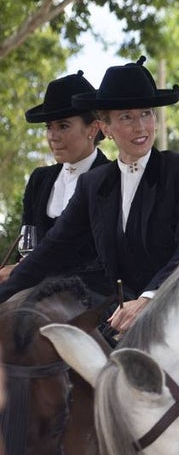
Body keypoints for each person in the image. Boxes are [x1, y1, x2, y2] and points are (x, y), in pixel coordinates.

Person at [0, 57, 179, 332]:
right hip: (116, 319)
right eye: (126, 117)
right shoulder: (93, 183)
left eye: (146, 113)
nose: (140, 127)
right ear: (105, 127)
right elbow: (52, 248)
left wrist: (148, 299)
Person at [0, 72, 110, 291]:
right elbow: (29, 242)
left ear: (93, 128)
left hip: (90, 295)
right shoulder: (39, 180)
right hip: (35, 286)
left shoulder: (111, 178)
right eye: (48, 127)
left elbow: (102, 257)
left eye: (63, 126)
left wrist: (26, 270)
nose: (53, 136)